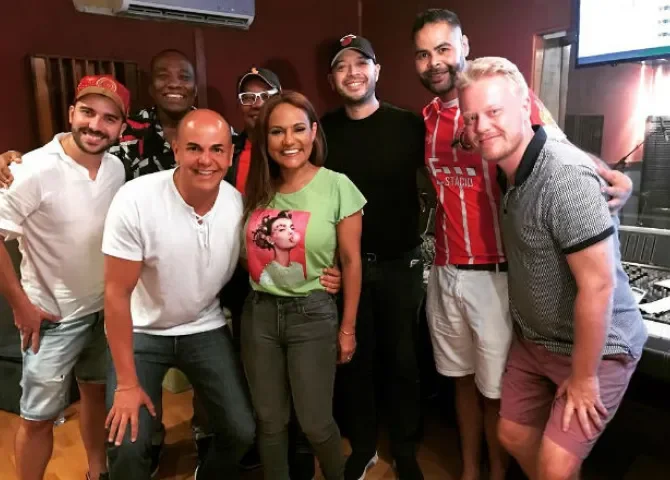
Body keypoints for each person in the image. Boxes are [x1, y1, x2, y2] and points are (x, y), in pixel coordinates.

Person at [411, 9, 634, 480]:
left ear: (463, 46)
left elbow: (556, 145)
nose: (434, 62)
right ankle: (471, 471)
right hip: (450, 271)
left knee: (499, 398)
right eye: (423, 54)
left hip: (498, 273)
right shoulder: (428, 119)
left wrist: (609, 175)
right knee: (465, 386)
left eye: (443, 49)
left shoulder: (511, 101)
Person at [456, 55, 648, 480]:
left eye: (493, 112)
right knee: (512, 434)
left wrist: (584, 378)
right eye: (471, 118)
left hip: (597, 347)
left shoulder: (563, 178)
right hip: (537, 342)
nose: (481, 126)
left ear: (526, 106)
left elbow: (598, 286)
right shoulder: (509, 169)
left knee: (555, 467)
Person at [102, 109, 256, 480]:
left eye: (217, 149)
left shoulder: (237, 206)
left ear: (229, 156)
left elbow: (267, 261)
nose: (206, 160)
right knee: (126, 442)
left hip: (203, 326)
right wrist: (127, 384)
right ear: (176, 150)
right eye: (194, 148)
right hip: (141, 329)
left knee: (241, 431)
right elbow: (117, 294)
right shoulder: (136, 199)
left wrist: (325, 274)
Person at [0, 75, 130, 480]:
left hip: (103, 310)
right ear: (72, 113)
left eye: (109, 118)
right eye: (88, 112)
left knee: (95, 395)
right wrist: (21, 306)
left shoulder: (116, 168)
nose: (96, 125)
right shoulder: (30, 169)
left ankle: (97, 472)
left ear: (121, 129)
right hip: (51, 318)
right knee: (37, 417)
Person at [241, 90, 366, 480]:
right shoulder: (257, 188)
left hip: (311, 314)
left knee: (315, 422)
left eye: (298, 129)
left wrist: (347, 328)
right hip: (259, 315)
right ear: (266, 139)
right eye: (277, 131)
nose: (288, 140)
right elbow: (248, 253)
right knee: (270, 422)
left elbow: (351, 261)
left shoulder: (337, 186)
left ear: (314, 132)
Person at [321, 34, 427, 480]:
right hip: (347, 269)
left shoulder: (410, 125)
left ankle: (404, 449)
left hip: (401, 263)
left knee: (403, 361)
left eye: (361, 62)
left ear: (376, 70)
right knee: (354, 363)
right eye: (342, 66)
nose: (352, 73)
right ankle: (363, 446)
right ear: (332, 79)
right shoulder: (322, 131)